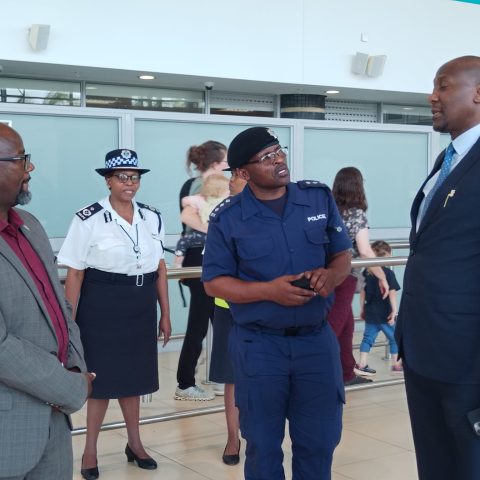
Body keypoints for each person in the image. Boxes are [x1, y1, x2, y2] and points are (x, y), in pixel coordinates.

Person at [202, 126, 352, 480]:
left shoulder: (317, 198)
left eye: (278, 151)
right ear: (243, 172)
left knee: (319, 442)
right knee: (264, 446)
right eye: (266, 158)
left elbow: (342, 255)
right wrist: (269, 291)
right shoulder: (228, 218)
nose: (279, 160)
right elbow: (214, 283)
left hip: (316, 342)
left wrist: (331, 276)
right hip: (260, 346)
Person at [57, 149, 171, 479]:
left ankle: (135, 444)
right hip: (101, 305)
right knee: (100, 381)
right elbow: (75, 274)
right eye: (122, 177)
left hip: (140, 304)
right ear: (108, 181)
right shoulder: (88, 218)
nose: (129, 183)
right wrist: (69, 324)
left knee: (135, 379)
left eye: (134, 177)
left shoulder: (152, 217)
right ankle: (90, 451)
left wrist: (164, 313)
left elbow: (160, 268)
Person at [395, 55, 480, 480]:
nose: (432, 96)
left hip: (468, 361)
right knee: (435, 462)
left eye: (443, 86)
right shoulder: (450, 158)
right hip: (425, 349)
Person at [0, 123, 94, 479]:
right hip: (9, 431)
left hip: (54, 426)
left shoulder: (30, 226)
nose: (31, 168)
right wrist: (69, 387)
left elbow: (59, 307)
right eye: (21, 159)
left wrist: (76, 367)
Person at [175, 140, 228, 401]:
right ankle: (185, 383)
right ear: (216, 164)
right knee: (201, 323)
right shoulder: (204, 186)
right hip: (202, 258)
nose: (228, 166)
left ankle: (220, 376)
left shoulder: (194, 184)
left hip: (202, 257)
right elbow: (188, 217)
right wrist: (215, 231)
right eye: (226, 161)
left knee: (219, 319)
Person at [328, 167, 389, 386]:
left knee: (346, 326)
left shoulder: (330, 210)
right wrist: (382, 276)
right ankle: (318, 373)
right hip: (345, 276)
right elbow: (364, 251)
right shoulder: (356, 214)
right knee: (333, 326)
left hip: (327, 273)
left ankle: (346, 372)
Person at [208, 168, 247, 466]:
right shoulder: (223, 213)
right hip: (229, 306)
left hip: (265, 306)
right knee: (232, 377)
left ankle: (258, 435)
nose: (230, 180)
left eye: (236, 175)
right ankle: (233, 437)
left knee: (264, 375)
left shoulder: (277, 208)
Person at [356, 240, 402, 376]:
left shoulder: (365, 272)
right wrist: (394, 311)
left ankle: (362, 364)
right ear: (387, 255)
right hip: (386, 314)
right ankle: (396, 365)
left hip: (370, 313)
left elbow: (362, 293)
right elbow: (392, 294)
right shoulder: (388, 274)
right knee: (394, 339)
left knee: (367, 339)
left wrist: (362, 309)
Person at [174, 173, 229, 267]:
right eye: (227, 189)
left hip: (204, 234)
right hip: (215, 235)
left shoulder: (202, 200)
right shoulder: (226, 201)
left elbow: (185, 201)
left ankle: (177, 263)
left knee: (183, 242)